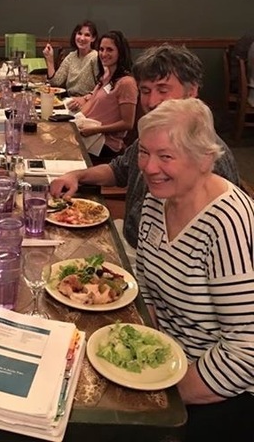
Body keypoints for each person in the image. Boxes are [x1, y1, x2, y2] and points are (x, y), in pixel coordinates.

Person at [136, 98, 254, 441]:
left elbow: (246, 351)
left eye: (165, 156)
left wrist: (164, 397)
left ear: (204, 159)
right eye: (144, 152)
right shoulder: (158, 197)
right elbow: (146, 285)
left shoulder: (227, 223)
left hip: (221, 388)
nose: (149, 167)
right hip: (167, 360)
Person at [50, 44, 240, 251]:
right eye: (145, 91)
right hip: (132, 239)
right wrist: (77, 176)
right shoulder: (154, 135)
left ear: (191, 91)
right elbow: (118, 169)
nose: (152, 101)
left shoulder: (207, 156)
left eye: (163, 90)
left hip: (159, 257)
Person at [68, 30, 138, 159]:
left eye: (109, 50)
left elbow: (128, 123)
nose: (104, 54)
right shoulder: (106, 76)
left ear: (120, 52)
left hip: (103, 145)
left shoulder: (126, 83)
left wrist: (94, 130)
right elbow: (91, 100)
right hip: (87, 135)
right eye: (101, 49)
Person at [42, 20, 99, 96]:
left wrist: (87, 98)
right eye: (79, 33)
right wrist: (50, 59)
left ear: (93, 38)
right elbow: (56, 82)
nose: (82, 38)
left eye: (87, 35)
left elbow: (102, 86)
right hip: (69, 99)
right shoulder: (71, 57)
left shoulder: (95, 57)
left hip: (88, 100)